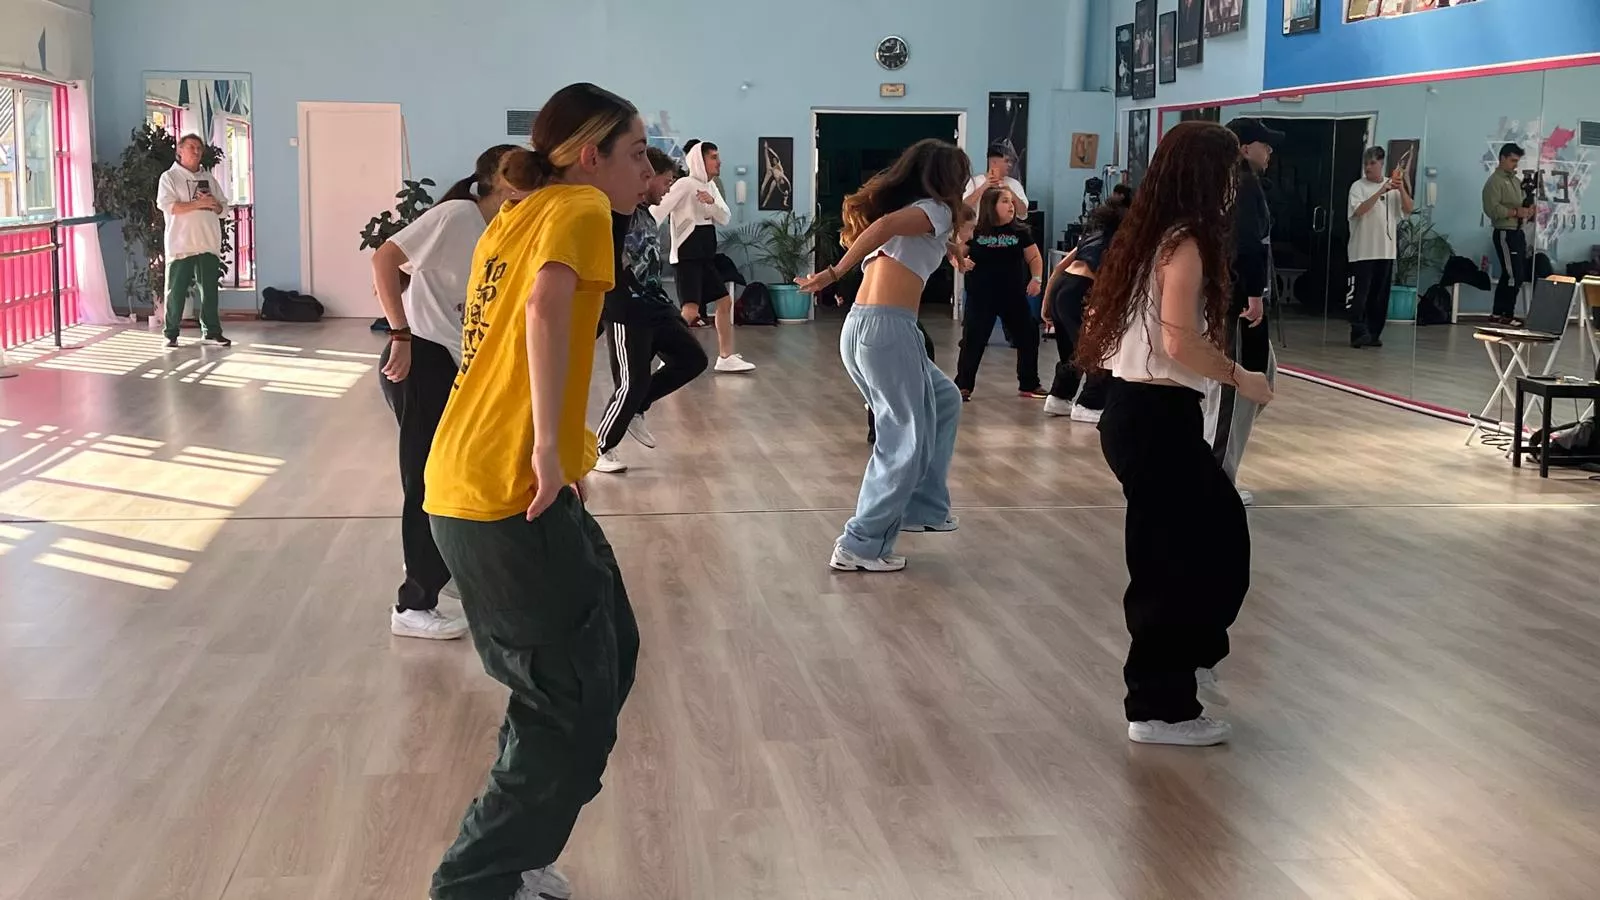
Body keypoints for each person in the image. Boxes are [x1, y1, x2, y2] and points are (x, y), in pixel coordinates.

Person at [420, 82, 650, 900]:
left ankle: (518, 853)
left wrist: (565, 449)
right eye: (635, 154)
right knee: (567, 699)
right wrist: (550, 449)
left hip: (477, 476)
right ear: (589, 155)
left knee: (607, 658)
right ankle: (475, 883)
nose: (648, 173)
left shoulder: (517, 214)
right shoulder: (582, 210)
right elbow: (546, 313)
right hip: (505, 487)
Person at [1076, 120, 1273, 747]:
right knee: (1181, 560)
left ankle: (1181, 673)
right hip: (1154, 419)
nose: (1233, 189)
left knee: (1200, 546)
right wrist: (1244, 377)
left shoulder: (1151, 237)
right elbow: (1178, 341)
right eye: (1230, 176)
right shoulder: (1184, 242)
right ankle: (1162, 704)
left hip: (1141, 416)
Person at [796, 138, 970, 573]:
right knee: (902, 442)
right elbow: (886, 228)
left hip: (866, 329)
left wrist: (951, 254)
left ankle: (921, 507)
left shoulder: (926, 216)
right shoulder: (935, 210)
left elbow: (901, 238)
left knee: (944, 398)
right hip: (888, 330)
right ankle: (861, 543)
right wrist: (834, 272)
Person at [370, 144, 519, 641]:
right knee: (424, 479)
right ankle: (412, 605)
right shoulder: (457, 215)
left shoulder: (500, 230)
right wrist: (400, 333)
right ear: (496, 179)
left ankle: (441, 571)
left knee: (451, 471)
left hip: (454, 365)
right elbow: (385, 259)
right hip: (420, 359)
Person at [592, 147, 710, 474]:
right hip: (626, 309)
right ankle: (600, 448)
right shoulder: (619, 210)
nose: (670, 189)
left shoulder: (646, 211)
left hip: (656, 303)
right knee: (632, 382)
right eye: (667, 182)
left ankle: (636, 409)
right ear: (648, 177)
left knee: (693, 359)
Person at [1204, 117, 1281, 507]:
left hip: (1233, 295)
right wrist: (1253, 294)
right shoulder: (1241, 183)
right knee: (1237, 388)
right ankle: (1215, 478)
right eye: (1265, 146)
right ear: (1246, 147)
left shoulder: (1228, 184)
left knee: (1262, 380)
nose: (1270, 153)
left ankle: (1211, 462)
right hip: (1236, 300)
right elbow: (1248, 244)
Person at [651, 139, 755, 372]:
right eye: (714, 157)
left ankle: (726, 357)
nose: (719, 162)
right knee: (690, 311)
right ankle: (666, 354)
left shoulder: (711, 187)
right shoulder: (685, 184)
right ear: (701, 159)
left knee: (724, 302)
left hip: (705, 256)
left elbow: (725, 217)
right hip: (688, 257)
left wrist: (710, 204)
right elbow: (658, 210)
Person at [954, 187, 1044, 400]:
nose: (1011, 206)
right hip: (981, 297)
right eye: (1005, 201)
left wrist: (1036, 279)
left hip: (1012, 296)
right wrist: (960, 262)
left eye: (1011, 201)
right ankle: (963, 386)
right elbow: (955, 252)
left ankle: (1029, 383)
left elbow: (1034, 258)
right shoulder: (975, 231)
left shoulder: (1021, 231)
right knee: (973, 340)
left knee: (1028, 336)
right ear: (990, 205)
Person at [1042, 202, 1128, 422]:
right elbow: (1103, 278)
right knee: (1097, 350)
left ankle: (1059, 397)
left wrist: (1047, 302)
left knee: (1072, 352)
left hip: (1063, 286)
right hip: (1081, 290)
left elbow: (1059, 267)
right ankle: (1089, 404)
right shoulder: (1119, 242)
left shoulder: (1091, 236)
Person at [157, 134, 232, 348]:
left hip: (207, 241)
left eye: (199, 148)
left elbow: (223, 208)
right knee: (176, 291)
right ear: (180, 151)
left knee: (209, 290)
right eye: (191, 147)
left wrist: (215, 205)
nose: (196, 151)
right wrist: (199, 204)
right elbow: (171, 207)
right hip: (182, 242)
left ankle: (211, 331)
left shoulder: (208, 178)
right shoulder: (169, 177)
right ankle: (170, 332)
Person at [1346, 146, 1413, 348]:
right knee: (1361, 293)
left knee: (1379, 295)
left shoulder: (1391, 187)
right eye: (1366, 163)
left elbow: (1408, 208)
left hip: (1386, 250)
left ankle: (1374, 333)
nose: (1368, 167)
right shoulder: (1358, 187)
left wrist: (1400, 188)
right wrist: (1380, 191)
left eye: (1373, 163)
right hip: (1363, 250)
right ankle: (1358, 331)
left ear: (1382, 164)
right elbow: (1359, 211)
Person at [1482, 142, 1536, 326]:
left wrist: (1528, 211)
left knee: (1508, 274)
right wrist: (1515, 212)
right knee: (1515, 276)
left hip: (1517, 231)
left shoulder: (1515, 180)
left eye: (1517, 161)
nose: (1515, 165)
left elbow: (1521, 204)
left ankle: (1497, 313)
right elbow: (1492, 209)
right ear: (1502, 158)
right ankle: (1508, 314)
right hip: (1505, 232)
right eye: (1512, 160)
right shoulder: (1494, 182)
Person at [964, 145, 1029, 212]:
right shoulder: (975, 182)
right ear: (994, 162)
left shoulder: (1014, 184)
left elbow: (1023, 213)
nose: (1010, 165)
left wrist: (1010, 192)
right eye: (1006, 161)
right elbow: (963, 208)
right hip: (979, 222)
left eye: (1011, 161)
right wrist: (983, 188)